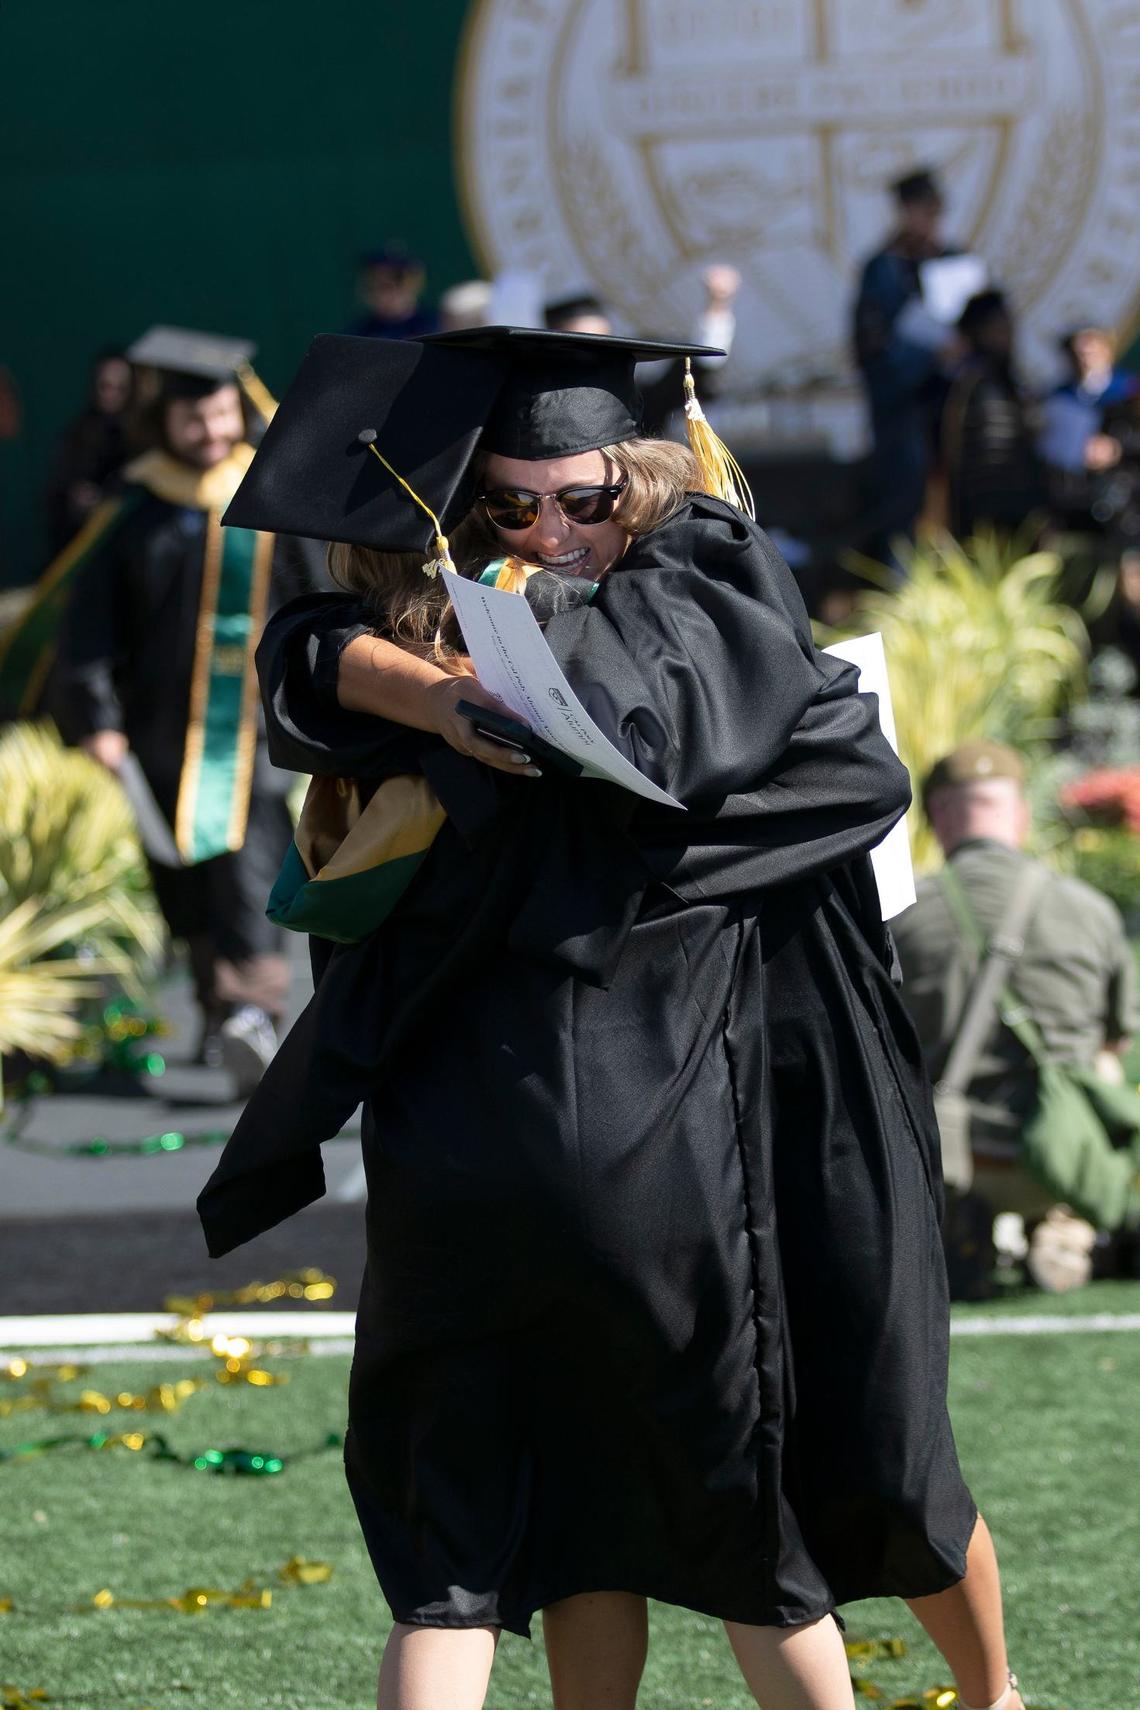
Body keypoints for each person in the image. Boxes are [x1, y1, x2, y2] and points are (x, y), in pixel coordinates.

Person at [200, 329, 1028, 1710]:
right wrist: (474, 713)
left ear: (642, 478)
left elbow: (310, 651)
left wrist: (432, 703)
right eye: (509, 506)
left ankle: (996, 1694)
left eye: (584, 500)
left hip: (453, 1158)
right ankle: (996, 1698)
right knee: (761, 1530)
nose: (548, 529)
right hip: (667, 1160)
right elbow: (844, 764)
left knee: (480, 1554)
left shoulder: (455, 643)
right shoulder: (662, 642)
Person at [51, 327, 327, 1092]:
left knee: (245, 860)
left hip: (259, 731)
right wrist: (97, 719)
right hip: (160, 733)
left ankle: (254, 1011)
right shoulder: (137, 511)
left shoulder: (272, 496)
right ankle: (219, 1008)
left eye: (218, 416)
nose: (208, 433)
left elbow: (317, 603)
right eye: (190, 420)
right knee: (187, 878)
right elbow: (91, 629)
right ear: (161, 422)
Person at [892, 741, 1138, 1292]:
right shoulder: (1089, 909)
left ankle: (961, 1221)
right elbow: (1112, 1048)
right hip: (1059, 1159)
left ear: (936, 818)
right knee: (1100, 1061)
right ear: (1021, 814)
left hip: (950, 1160)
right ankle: (1063, 1220)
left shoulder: (901, 916)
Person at [853, 167, 964, 557]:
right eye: (920, 211)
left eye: (933, 212)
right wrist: (927, 355)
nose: (928, 221)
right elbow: (869, 345)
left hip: (953, 405)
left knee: (959, 495)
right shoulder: (882, 268)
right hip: (905, 408)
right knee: (903, 499)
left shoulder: (954, 262)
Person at [942, 290, 1046, 542]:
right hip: (996, 529)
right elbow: (994, 465)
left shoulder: (997, 382)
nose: (1009, 335)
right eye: (1001, 326)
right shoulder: (981, 387)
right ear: (981, 332)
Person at [45, 347, 133, 554]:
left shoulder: (143, 439)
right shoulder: (78, 434)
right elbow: (56, 493)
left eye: (121, 388)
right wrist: (75, 498)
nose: (112, 395)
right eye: (105, 386)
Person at [347, 244, 438, 340]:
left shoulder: (438, 325)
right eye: (376, 279)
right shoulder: (358, 333)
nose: (387, 283)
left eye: (397, 277)